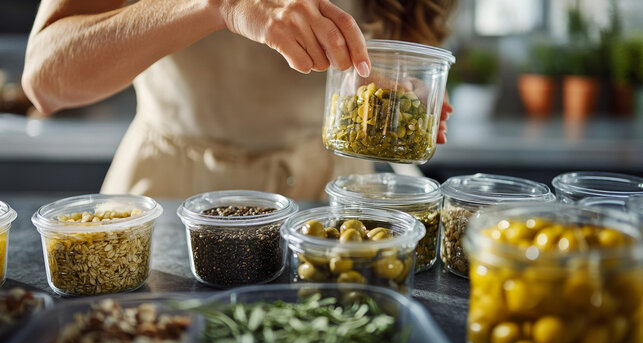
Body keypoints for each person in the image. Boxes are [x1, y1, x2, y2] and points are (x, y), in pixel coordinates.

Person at [22, 0, 455, 200]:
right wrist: (220, 6)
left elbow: (402, 46)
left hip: (330, 195)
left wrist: (402, 86)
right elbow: (45, 79)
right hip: (173, 194)